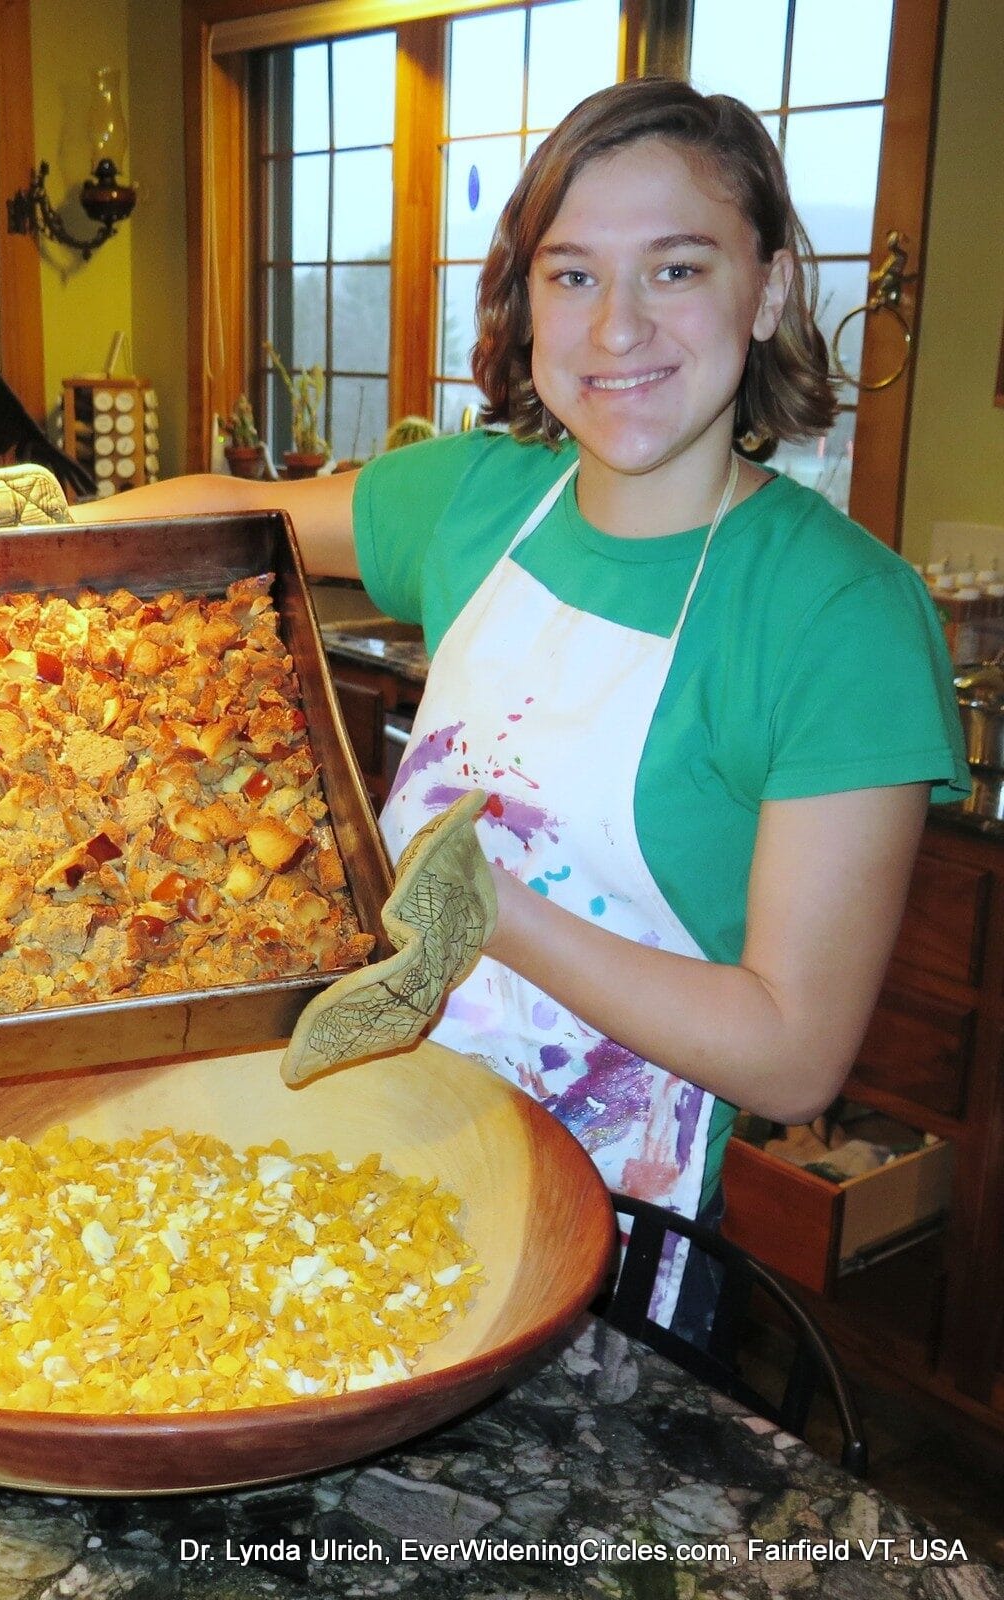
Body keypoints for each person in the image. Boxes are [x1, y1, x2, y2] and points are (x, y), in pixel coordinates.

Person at [72, 77, 968, 1327]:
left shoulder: (841, 614)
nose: (615, 328)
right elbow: (227, 516)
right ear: (526, 296)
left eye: (675, 269)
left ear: (765, 291)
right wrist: (15, 532)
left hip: (600, 1252)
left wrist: (497, 913)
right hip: (353, 1157)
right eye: (572, 274)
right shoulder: (480, 497)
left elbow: (792, 1051)